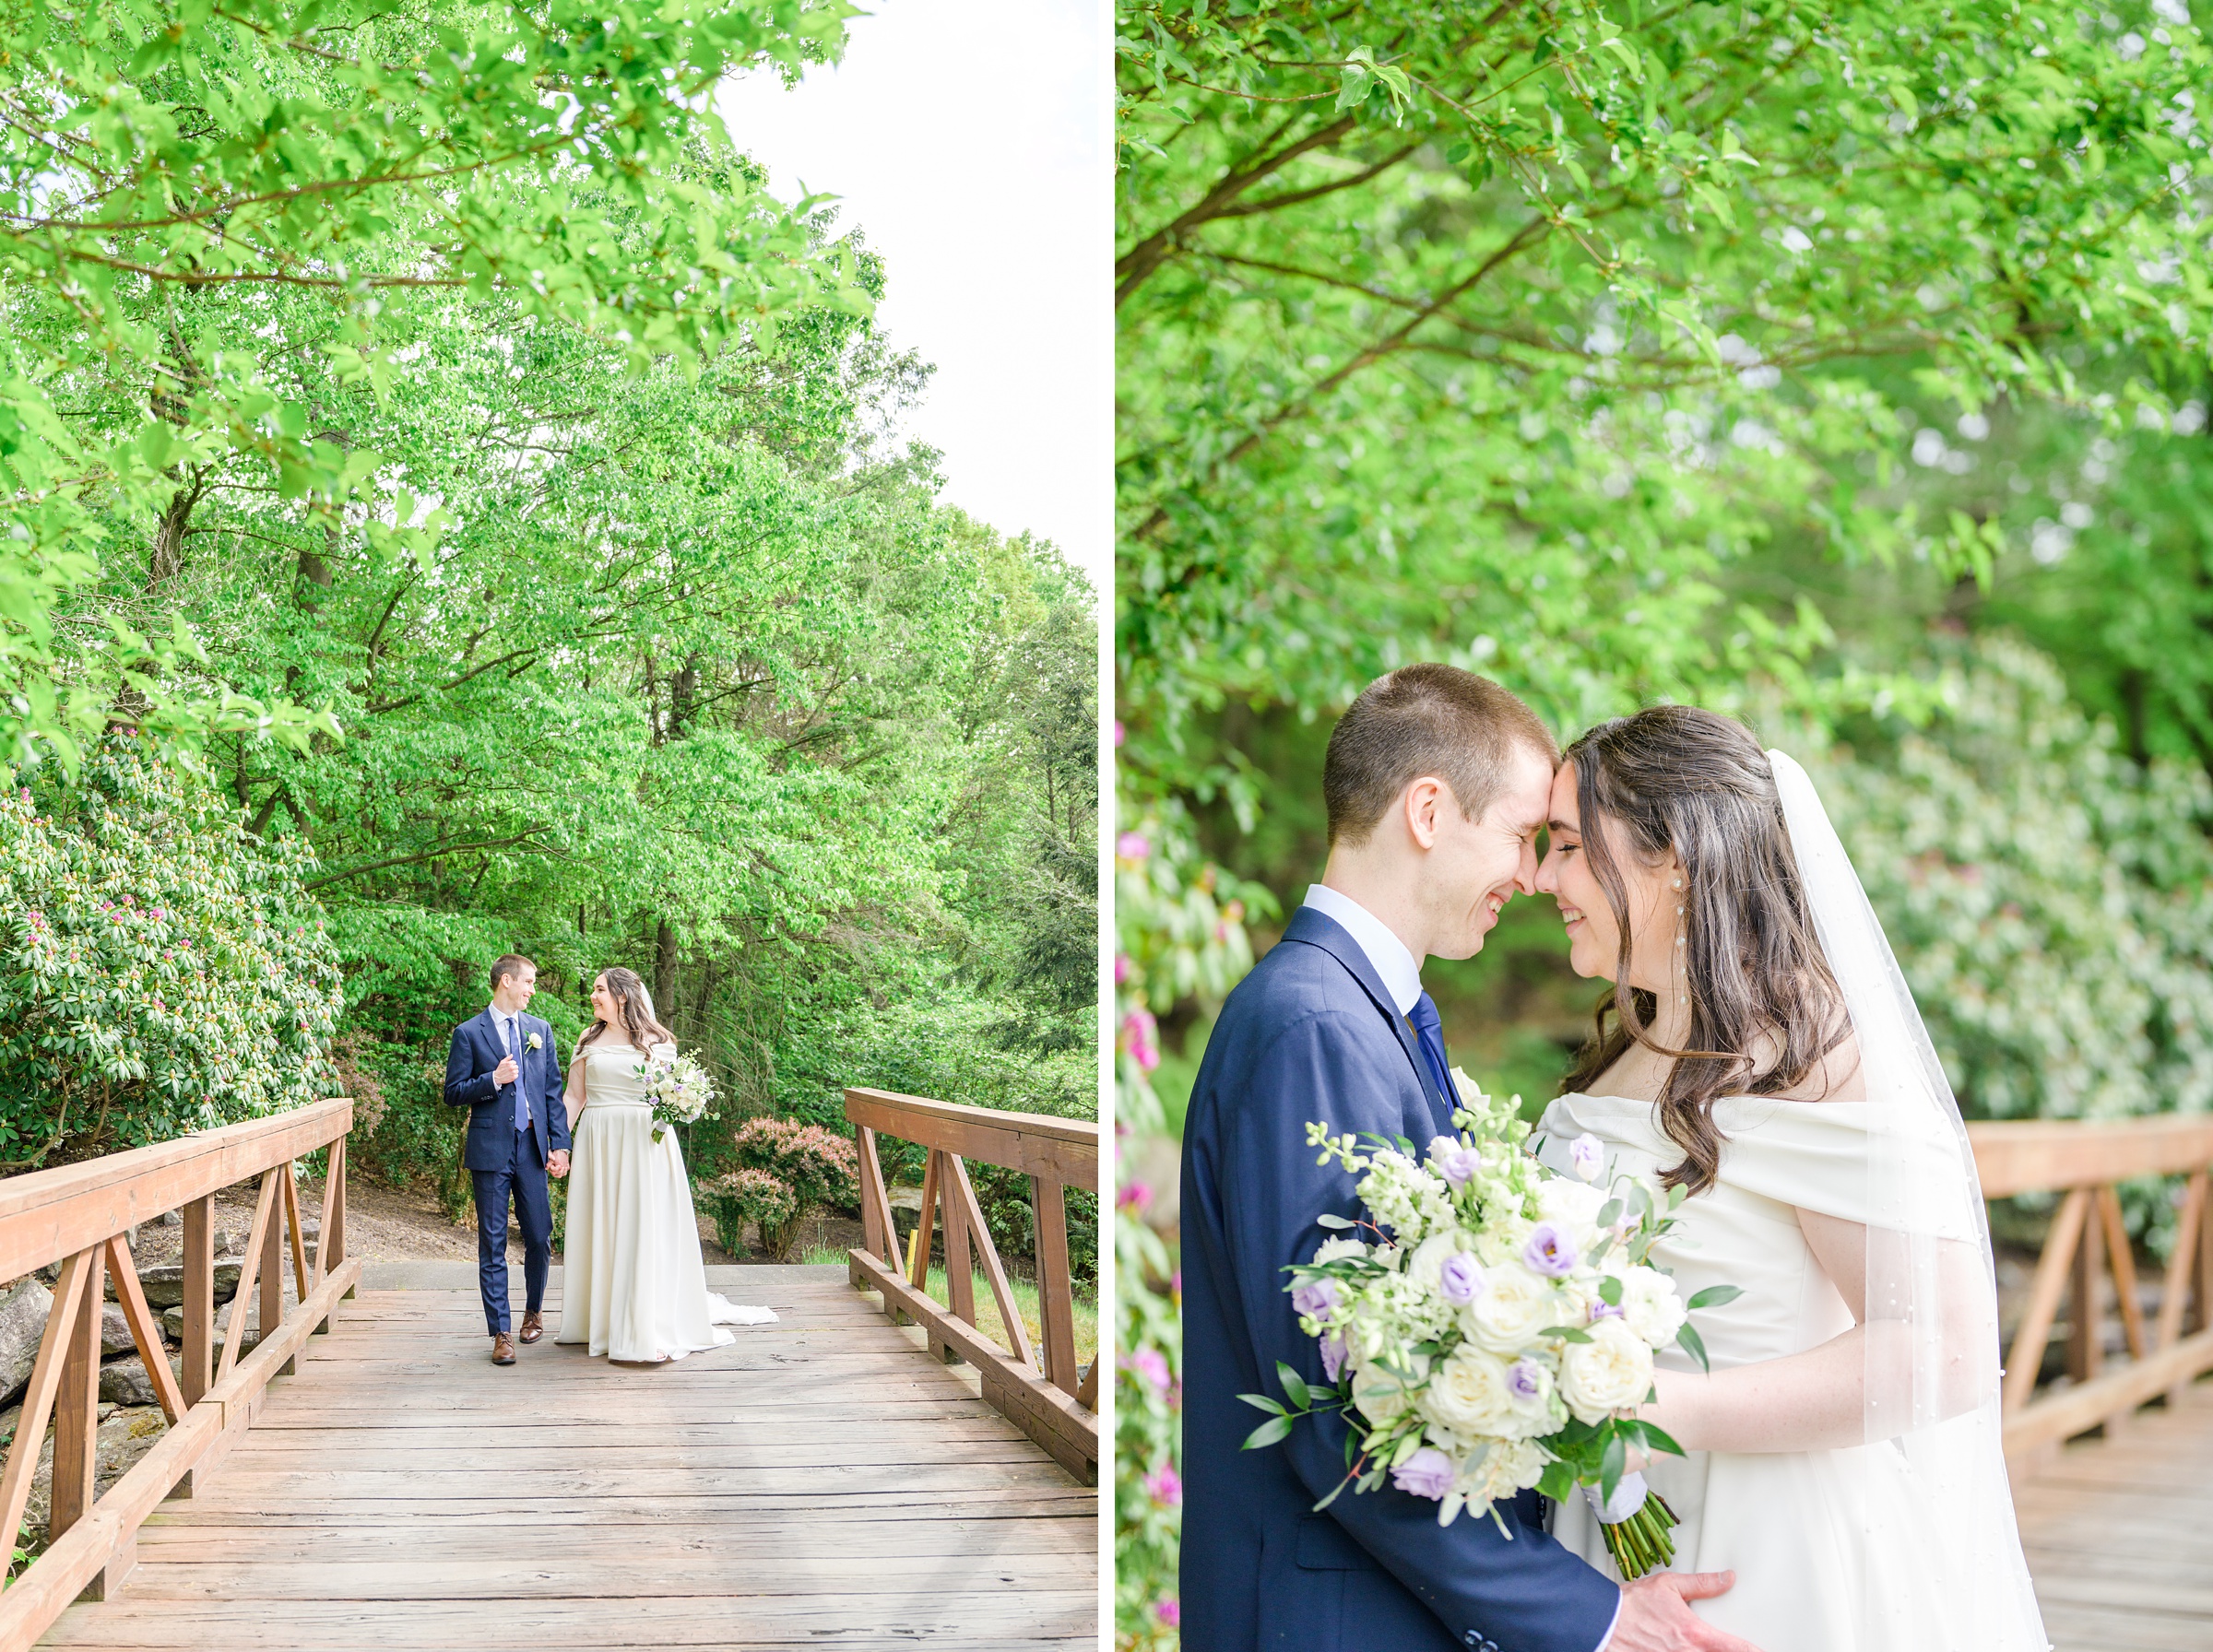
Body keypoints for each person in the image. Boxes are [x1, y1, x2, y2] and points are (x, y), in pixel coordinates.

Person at [1180, 665, 1757, 1652]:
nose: (1534, 876)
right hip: (1325, 1618)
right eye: (1525, 836)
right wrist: (1597, 1615)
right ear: (1430, 810)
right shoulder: (1316, 1025)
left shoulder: (1378, 1014)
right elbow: (1345, 1411)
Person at [1529, 705, 2045, 1649]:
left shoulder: (1814, 1052)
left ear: (1673, 855)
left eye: (1566, 846)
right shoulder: (1625, 1041)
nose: (1540, 877)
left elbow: (1947, 1349)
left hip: (1764, 1553)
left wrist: (1659, 1406)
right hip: (1606, 1548)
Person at [558, 966, 775, 1362]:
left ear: (623, 996)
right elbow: (574, 1097)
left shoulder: (659, 1041)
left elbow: (672, 1093)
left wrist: (681, 1103)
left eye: (600, 989)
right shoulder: (588, 1038)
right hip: (598, 1142)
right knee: (603, 1226)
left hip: (646, 1145)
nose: (593, 996)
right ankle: (601, 1321)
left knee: (643, 1230)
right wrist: (561, 1146)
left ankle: (648, 1326)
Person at [443, 953, 571, 1365]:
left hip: (532, 1147)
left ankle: (533, 1312)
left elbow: (552, 1092)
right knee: (492, 1244)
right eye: (529, 982)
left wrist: (560, 1145)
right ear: (506, 982)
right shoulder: (468, 1033)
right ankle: (500, 1333)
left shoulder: (540, 1031)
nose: (533, 990)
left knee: (539, 1236)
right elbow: (453, 1092)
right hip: (490, 1151)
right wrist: (492, 1080)